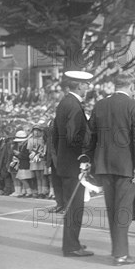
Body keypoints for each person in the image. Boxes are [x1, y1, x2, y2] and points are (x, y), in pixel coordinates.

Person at [85, 72, 135, 265]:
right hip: (126, 166)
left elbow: (91, 136)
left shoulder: (100, 105)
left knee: (113, 209)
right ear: (131, 87)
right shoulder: (134, 107)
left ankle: (117, 250)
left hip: (104, 165)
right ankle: (120, 254)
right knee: (123, 210)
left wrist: (88, 159)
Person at [53, 72, 94, 257]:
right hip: (73, 165)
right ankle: (71, 246)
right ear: (79, 85)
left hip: (64, 162)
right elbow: (73, 137)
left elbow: (55, 135)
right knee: (75, 206)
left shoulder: (65, 103)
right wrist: (83, 157)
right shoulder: (74, 105)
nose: (88, 88)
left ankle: (72, 242)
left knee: (72, 205)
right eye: (86, 84)